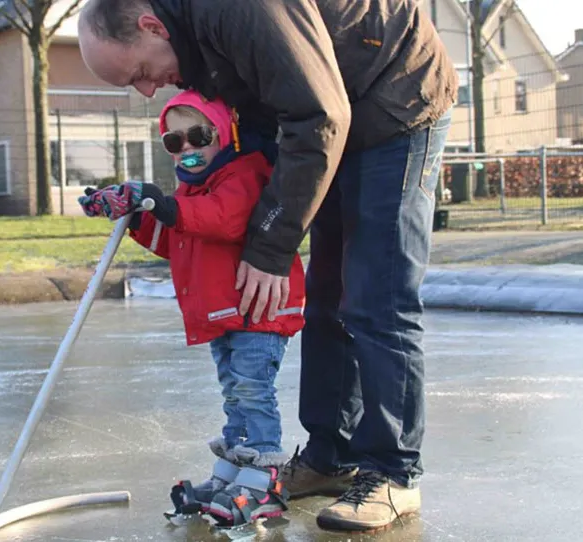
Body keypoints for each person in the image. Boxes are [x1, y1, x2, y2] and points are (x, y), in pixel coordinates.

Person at [77, 0, 457, 533]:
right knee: (329, 297)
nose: (148, 91)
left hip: (394, 99)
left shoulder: (235, 9)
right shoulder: (192, 39)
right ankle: (331, 456)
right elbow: (258, 133)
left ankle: (394, 472)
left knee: (376, 295)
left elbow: (317, 115)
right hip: (332, 119)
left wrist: (271, 247)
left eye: (139, 73)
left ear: (150, 26)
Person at [78, 89, 306, 527]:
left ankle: (263, 478)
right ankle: (234, 473)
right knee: (235, 394)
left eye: (198, 136)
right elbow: (178, 237)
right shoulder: (192, 190)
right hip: (226, 314)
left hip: (257, 311)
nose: (187, 149)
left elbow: (224, 218)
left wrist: (164, 203)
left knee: (252, 392)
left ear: (223, 134)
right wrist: (137, 215)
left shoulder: (245, 172)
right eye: (173, 142)